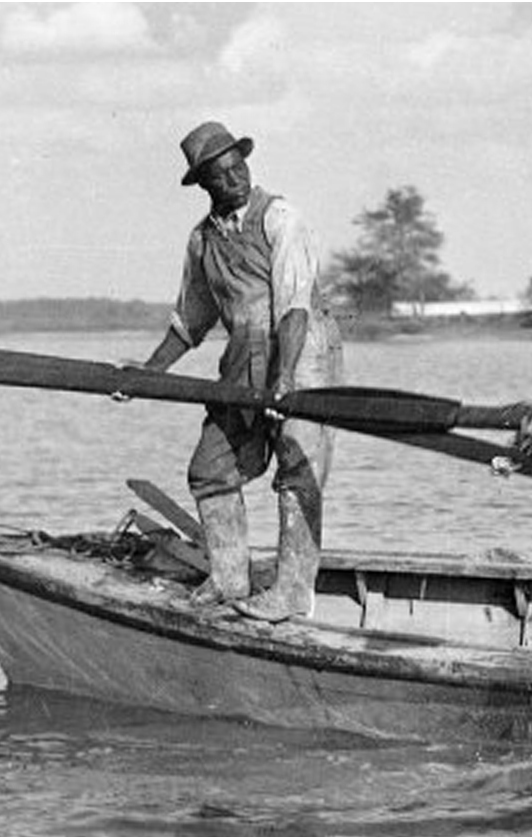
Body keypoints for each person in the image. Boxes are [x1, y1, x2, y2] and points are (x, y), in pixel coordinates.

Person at [124, 120, 342, 623]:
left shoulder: (280, 217)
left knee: (298, 466)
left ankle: (291, 593)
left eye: (238, 167)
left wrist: (284, 382)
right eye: (220, 176)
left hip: (302, 349)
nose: (234, 180)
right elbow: (190, 322)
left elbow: (293, 306)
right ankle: (227, 579)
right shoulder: (202, 242)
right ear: (203, 185)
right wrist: (146, 374)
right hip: (244, 359)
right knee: (210, 469)